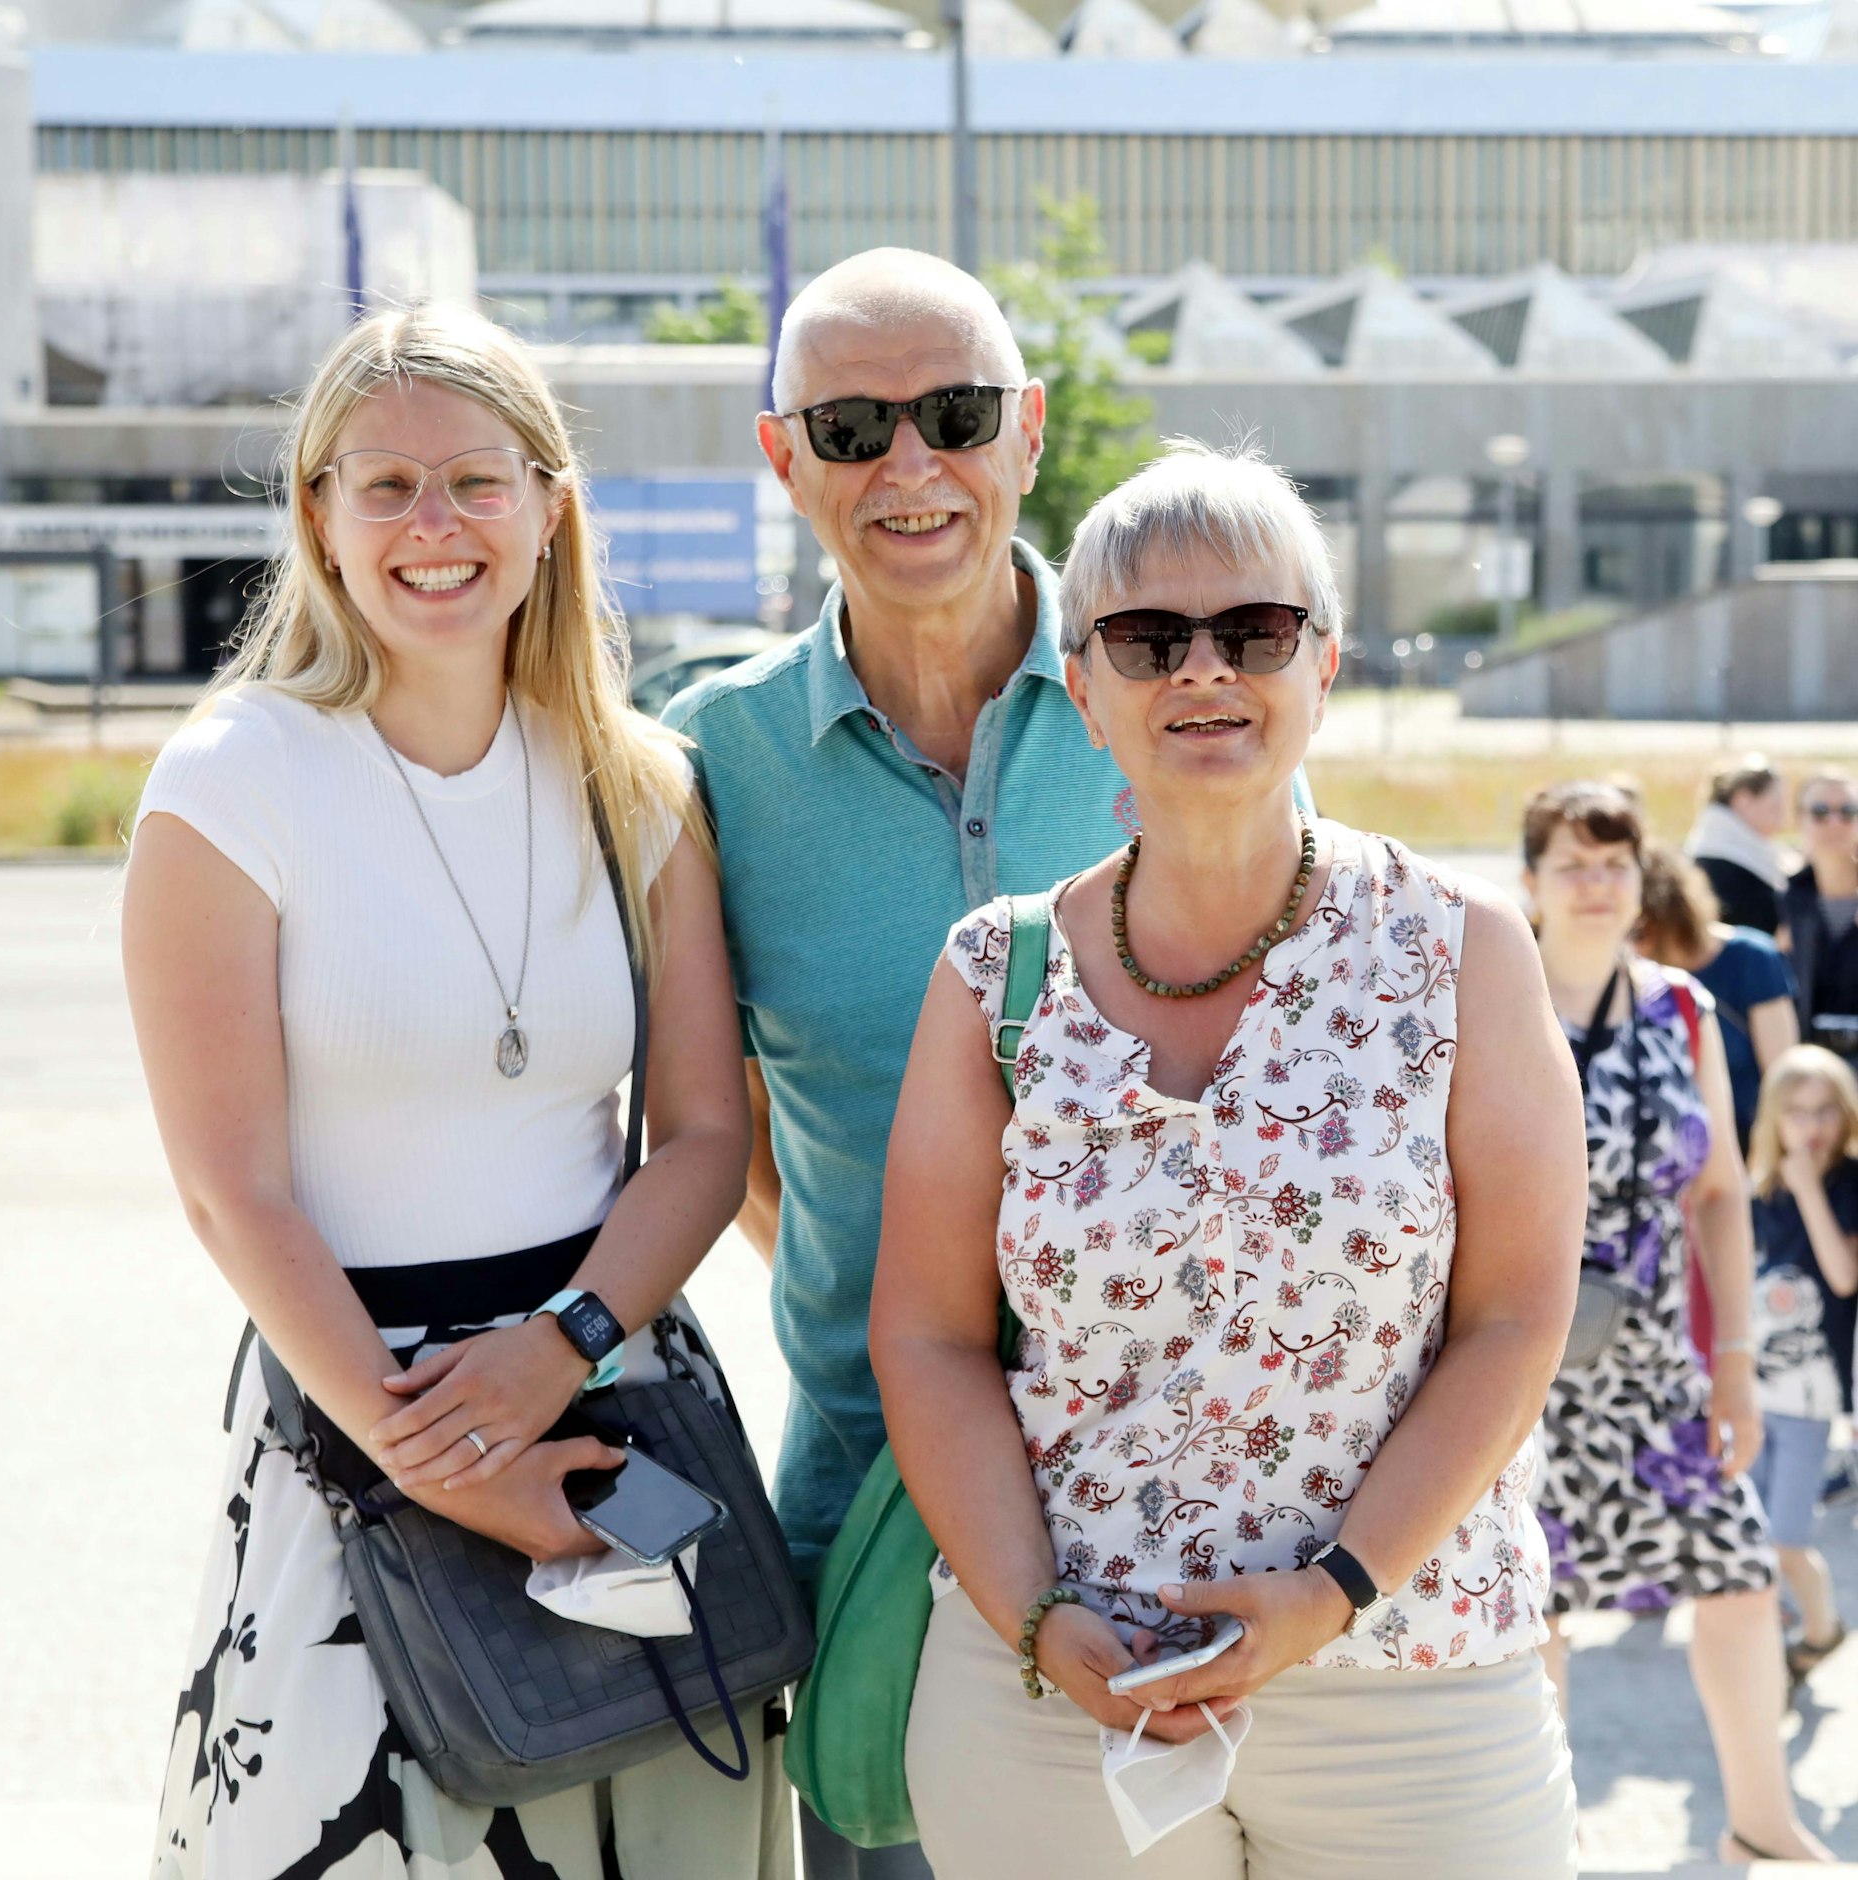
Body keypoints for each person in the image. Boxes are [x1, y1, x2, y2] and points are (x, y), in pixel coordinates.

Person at [663, 251, 1306, 1879]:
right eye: (852, 426)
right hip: (878, 1515)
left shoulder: (1184, 682)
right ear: (782, 456)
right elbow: (710, 1125)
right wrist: (910, 1305)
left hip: (1216, 1505)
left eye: (951, 414)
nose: (907, 466)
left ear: (1024, 433)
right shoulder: (705, 764)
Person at [125, 307, 784, 1878]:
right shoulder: (228, 784)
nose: (435, 527)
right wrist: (444, 1466)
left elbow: (704, 1136)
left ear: (552, 508)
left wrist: (565, 1348)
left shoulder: (645, 784)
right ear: (320, 516)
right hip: (359, 1410)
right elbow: (236, 1193)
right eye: (386, 485)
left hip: (614, 1382)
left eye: (478, 483)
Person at [873, 441, 1585, 1879]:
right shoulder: (992, 975)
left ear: (1322, 669)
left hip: (1414, 1674)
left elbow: (1514, 1321)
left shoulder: (1464, 950)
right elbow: (931, 1337)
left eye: (1255, 631)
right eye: (1147, 638)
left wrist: (1332, 1593)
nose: (1204, 670)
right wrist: (1029, 1618)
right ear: (1082, 689)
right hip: (1064, 1691)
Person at [1525, 781, 1831, 1866]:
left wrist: (1733, 1361)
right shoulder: (1490, 1002)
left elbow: (1712, 1192)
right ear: (1530, 880)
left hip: (1656, 1358)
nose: (1595, 883)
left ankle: (1762, 1826)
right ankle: (1538, 1843)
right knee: (1534, 1611)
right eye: (1571, 861)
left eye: (1614, 861)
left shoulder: (1678, 1008)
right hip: (1520, 1367)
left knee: (1740, 1578)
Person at [1745, 1045, 1858, 1686]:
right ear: (1773, 1119)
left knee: (1786, 1539)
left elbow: (1842, 1277)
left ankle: (1822, 1629)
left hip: (1812, 1403)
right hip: (1756, 1395)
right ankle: (1780, 1637)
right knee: (1752, 1536)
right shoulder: (1760, 1190)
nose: (1812, 1127)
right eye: (1797, 1113)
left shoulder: (1844, 1184)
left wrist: (1810, 1185)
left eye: (1825, 1112)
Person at [1635, 842, 1798, 1153]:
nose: (1635, 946)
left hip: (1750, 1147)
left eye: (1641, 931)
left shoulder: (1753, 958)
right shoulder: (1634, 976)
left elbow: (1783, 1080)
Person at [1781, 769, 1858, 1064]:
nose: (1835, 822)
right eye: (1820, 812)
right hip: (1805, 1068)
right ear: (1799, 819)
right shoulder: (1780, 899)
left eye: (1848, 811)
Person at [1688, 756, 1789, 935]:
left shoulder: (1710, 848)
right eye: (1775, 808)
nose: (1782, 821)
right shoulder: (1725, 867)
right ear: (1743, 800)